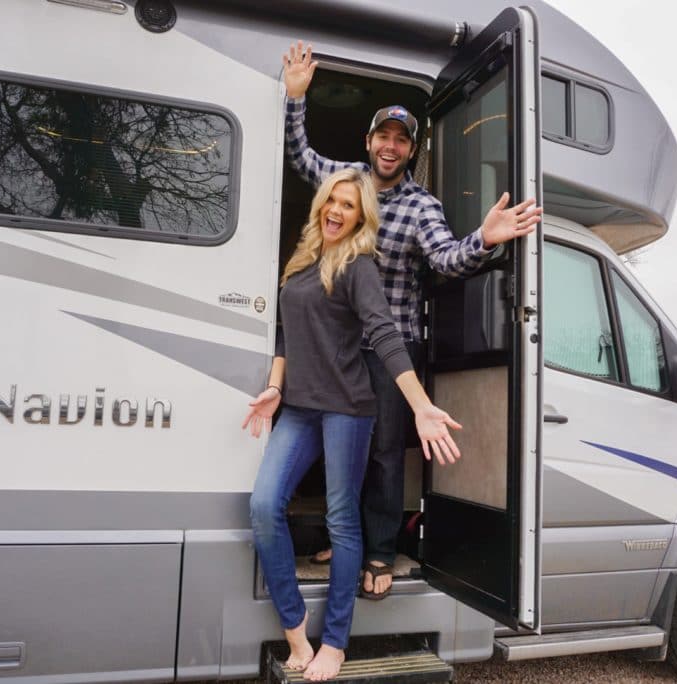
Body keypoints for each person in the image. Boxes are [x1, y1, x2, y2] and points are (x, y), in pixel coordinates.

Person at [282, 41, 543, 599]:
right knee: (339, 445)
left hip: (390, 349)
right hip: (337, 346)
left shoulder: (421, 205)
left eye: (402, 139)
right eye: (384, 136)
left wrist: (484, 238)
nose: (391, 146)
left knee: (381, 452)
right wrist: (295, 99)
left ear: (411, 149)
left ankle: (378, 552)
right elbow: (301, 158)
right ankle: (341, 535)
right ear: (369, 141)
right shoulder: (346, 184)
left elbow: (447, 259)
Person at [244, 167, 463, 681]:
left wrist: (419, 403)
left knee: (343, 521)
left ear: (362, 216)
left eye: (350, 205)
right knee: (262, 507)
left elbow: (385, 335)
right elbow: (284, 334)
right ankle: (296, 631)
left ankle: (336, 642)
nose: (337, 211)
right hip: (297, 405)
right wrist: (276, 387)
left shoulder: (360, 265)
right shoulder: (300, 262)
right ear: (322, 203)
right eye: (333, 201)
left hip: (348, 407)